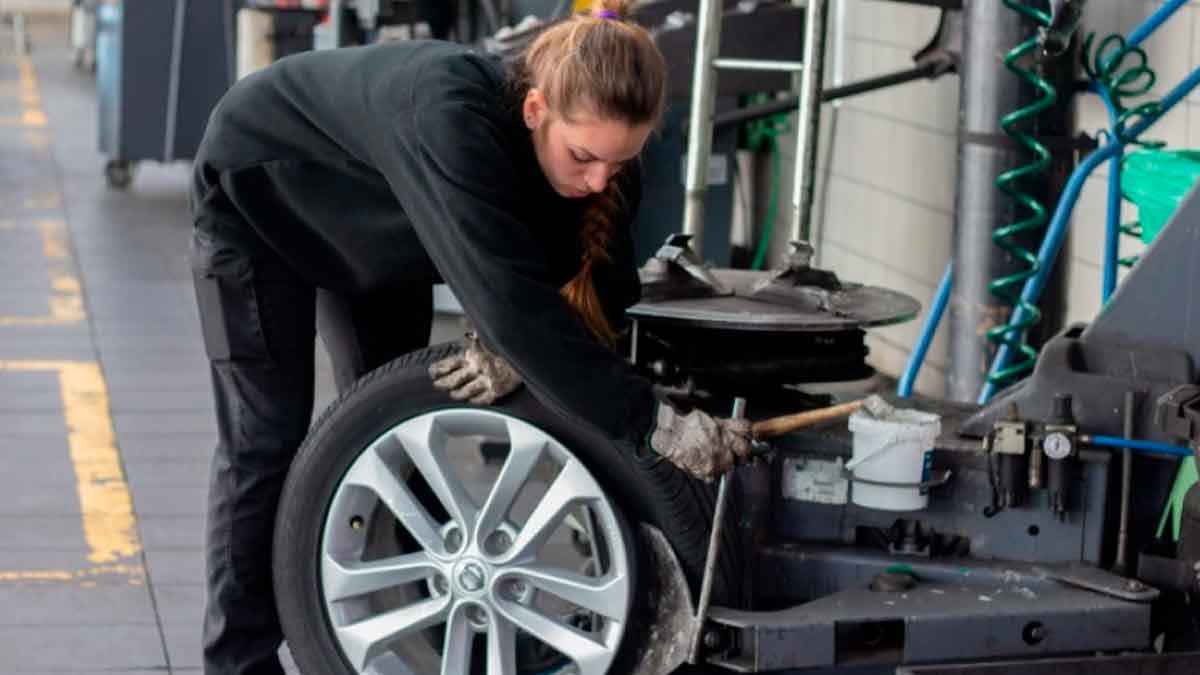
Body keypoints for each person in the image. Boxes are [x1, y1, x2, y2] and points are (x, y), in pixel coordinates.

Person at [188, 1, 751, 673]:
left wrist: (529, 353)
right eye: (583, 157)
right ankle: (237, 660)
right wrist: (652, 423)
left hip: (382, 222)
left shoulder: (600, 161)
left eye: (618, 160)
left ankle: (420, 618)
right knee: (265, 440)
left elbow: (599, 299)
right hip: (259, 195)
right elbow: (512, 303)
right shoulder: (448, 117)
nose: (599, 179)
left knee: (396, 433)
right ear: (536, 110)